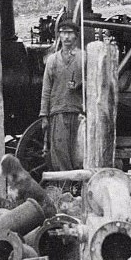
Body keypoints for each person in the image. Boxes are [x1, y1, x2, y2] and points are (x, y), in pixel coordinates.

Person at [39, 19, 85, 172]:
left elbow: (94, 83)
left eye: (70, 33)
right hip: (58, 111)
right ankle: (64, 184)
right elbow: (46, 89)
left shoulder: (83, 58)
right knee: (60, 152)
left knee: (78, 152)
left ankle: (78, 184)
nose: (66, 37)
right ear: (59, 35)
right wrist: (44, 115)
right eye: (63, 33)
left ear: (76, 36)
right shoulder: (52, 60)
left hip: (79, 112)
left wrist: (80, 84)